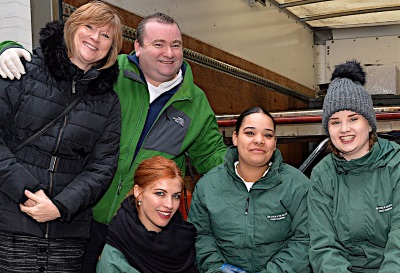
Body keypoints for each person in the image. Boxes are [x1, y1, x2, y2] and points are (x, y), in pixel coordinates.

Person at [0, 11, 227, 272]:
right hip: (86, 218)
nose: (169, 53)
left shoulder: (195, 102)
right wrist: (7, 48)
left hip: (139, 227)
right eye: (159, 44)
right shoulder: (108, 73)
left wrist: (247, 162)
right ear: (138, 47)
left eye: (176, 45)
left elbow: (211, 157)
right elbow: (58, 64)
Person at [0, 1, 122, 272]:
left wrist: (61, 206)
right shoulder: (24, 70)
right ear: (72, 27)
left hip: (68, 232)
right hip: (10, 223)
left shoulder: (108, 102)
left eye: (105, 35)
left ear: (112, 49)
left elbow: (102, 167)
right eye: (89, 27)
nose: (95, 38)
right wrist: (26, 193)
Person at [188, 106, 311, 273]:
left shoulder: (297, 185)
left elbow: (306, 238)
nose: (259, 140)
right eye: (250, 133)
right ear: (235, 138)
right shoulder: (208, 186)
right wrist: (216, 267)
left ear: (274, 143)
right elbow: (200, 235)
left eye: (267, 135)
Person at [308, 60, 400, 272]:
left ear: (369, 123)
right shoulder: (323, 174)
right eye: (335, 121)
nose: (344, 129)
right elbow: (323, 246)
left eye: (353, 118)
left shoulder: (395, 164)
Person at [96, 155, 199, 273]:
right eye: (160, 193)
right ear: (138, 192)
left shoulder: (185, 239)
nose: (170, 205)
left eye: (176, 196)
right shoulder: (115, 255)